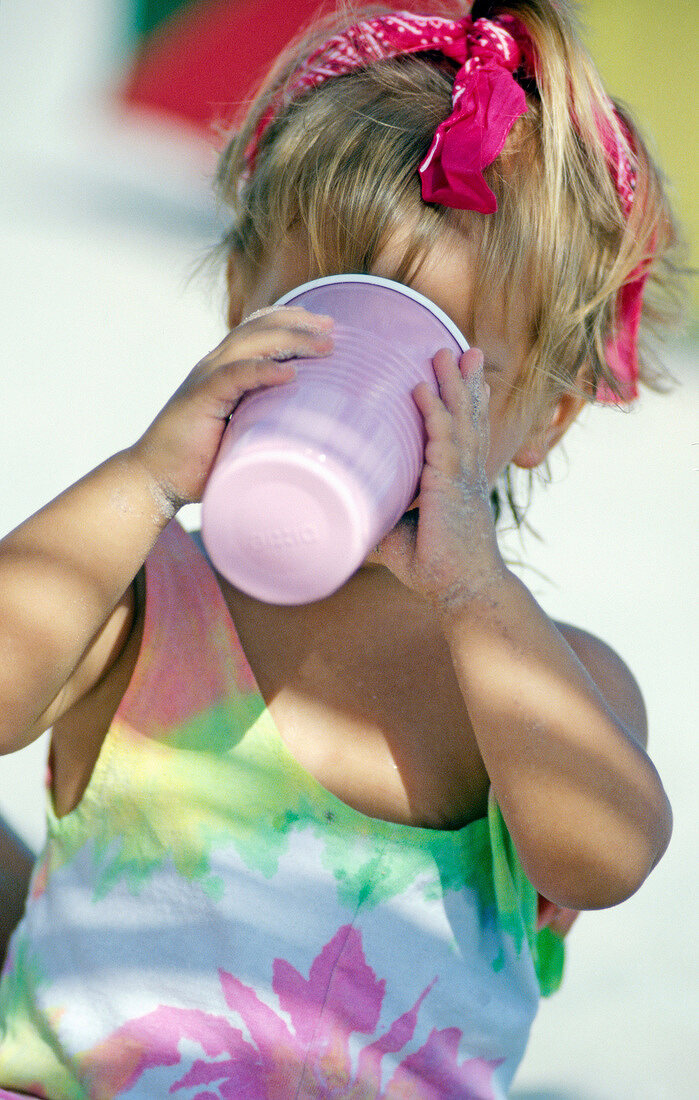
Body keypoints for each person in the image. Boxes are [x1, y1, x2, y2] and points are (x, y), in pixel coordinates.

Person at [0, 2, 685, 1096]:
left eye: (449, 366)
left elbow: (604, 854)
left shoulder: (553, 685)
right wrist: (142, 478)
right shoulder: (137, 600)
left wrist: (473, 589)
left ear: (546, 418)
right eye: (324, 320)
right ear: (241, 308)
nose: (375, 392)